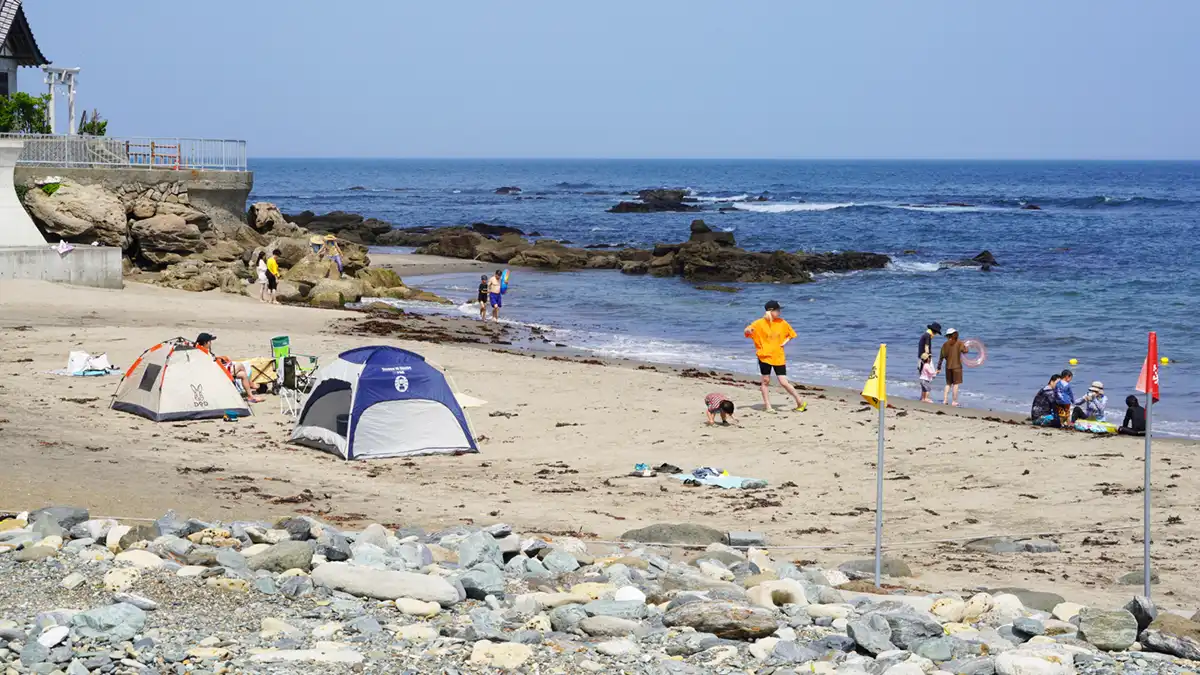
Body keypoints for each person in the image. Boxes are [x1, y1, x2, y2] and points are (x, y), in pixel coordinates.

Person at [744, 300, 806, 413]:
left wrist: (784, 342)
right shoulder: (759, 323)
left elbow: (792, 334)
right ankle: (768, 406)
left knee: (783, 382)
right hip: (764, 356)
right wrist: (748, 330)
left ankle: (800, 402)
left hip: (778, 356)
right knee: (765, 381)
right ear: (770, 311)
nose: (780, 312)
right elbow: (747, 331)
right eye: (778, 310)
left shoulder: (782, 322)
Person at [194, 333, 263, 403]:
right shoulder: (202, 353)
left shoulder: (200, 350)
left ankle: (250, 396)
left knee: (243, 374)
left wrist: (218, 360)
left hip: (218, 371)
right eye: (210, 341)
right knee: (240, 365)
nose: (211, 343)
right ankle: (250, 384)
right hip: (219, 374)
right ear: (206, 343)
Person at [936, 327, 969, 406]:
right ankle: (954, 401)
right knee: (956, 384)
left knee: (948, 384)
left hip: (948, 367)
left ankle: (945, 400)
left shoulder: (944, 345)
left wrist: (938, 368)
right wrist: (966, 347)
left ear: (948, 336)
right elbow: (965, 351)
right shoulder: (959, 343)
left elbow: (941, 357)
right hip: (957, 367)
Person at [918, 322, 942, 402]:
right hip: (925, 358)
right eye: (935, 333)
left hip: (921, 358)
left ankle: (923, 397)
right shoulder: (928, 336)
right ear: (933, 331)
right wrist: (928, 358)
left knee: (923, 377)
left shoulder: (924, 335)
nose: (934, 335)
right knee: (928, 378)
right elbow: (926, 347)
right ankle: (926, 398)